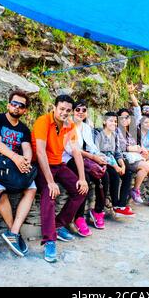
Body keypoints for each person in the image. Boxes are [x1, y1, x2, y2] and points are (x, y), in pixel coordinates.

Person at [32, 94, 89, 263]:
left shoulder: (69, 125)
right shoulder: (43, 121)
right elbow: (40, 152)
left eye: (68, 110)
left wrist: (82, 178)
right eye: (62, 109)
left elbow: (76, 151)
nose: (64, 112)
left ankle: (59, 224)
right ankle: (50, 240)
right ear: (54, 108)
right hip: (42, 166)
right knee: (49, 194)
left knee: (81, 191)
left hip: (58, 164)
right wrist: (50, 182)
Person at [0, 90, 36, 256]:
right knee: (0, 192)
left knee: (32, 188)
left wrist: (26, 162)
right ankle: (15, 234)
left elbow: (27, 149)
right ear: (8, 104)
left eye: (21, 105)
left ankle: (13, 232)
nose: (16, 107)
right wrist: (17, 158)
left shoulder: (24, 129)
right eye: (14, 103)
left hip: (15, 166)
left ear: (24, 110)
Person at [62, 100, 109, 236]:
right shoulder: (67, 124)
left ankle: (98, 211)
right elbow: (71, 149)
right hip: (68, 158)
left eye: (84, 110)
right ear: (72, 111)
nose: (81, 112)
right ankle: (79, 217)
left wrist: (100, 157)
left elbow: (91, 147)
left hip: (85, 158)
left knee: (104, 175)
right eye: (78, 110)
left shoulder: (86, 127)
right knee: (85, 180)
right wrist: (93, 158)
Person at [117, 108, 149, 209]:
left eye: (127, 117)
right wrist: (135, 149)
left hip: (136, 156)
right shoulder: (117, 130)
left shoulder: (132, 130)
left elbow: (138, 144)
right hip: (125, 158)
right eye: (122, 118)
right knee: (145, 165)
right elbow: (120, 147)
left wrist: (142, 150)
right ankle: (135, 190)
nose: (124, 120)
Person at [95, 112, 135, 217]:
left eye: (115, 121)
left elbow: (117, 152)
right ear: (104, 121)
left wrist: (122, 165)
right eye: (111, 121)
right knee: (114, 175)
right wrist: (116, 166)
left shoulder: (115, 134)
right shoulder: (98, 134)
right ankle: (116, 204)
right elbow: (99, 153)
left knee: (128, 173)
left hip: (113, 161)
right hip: (102, 161)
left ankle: (122, 205)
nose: (114, 123)